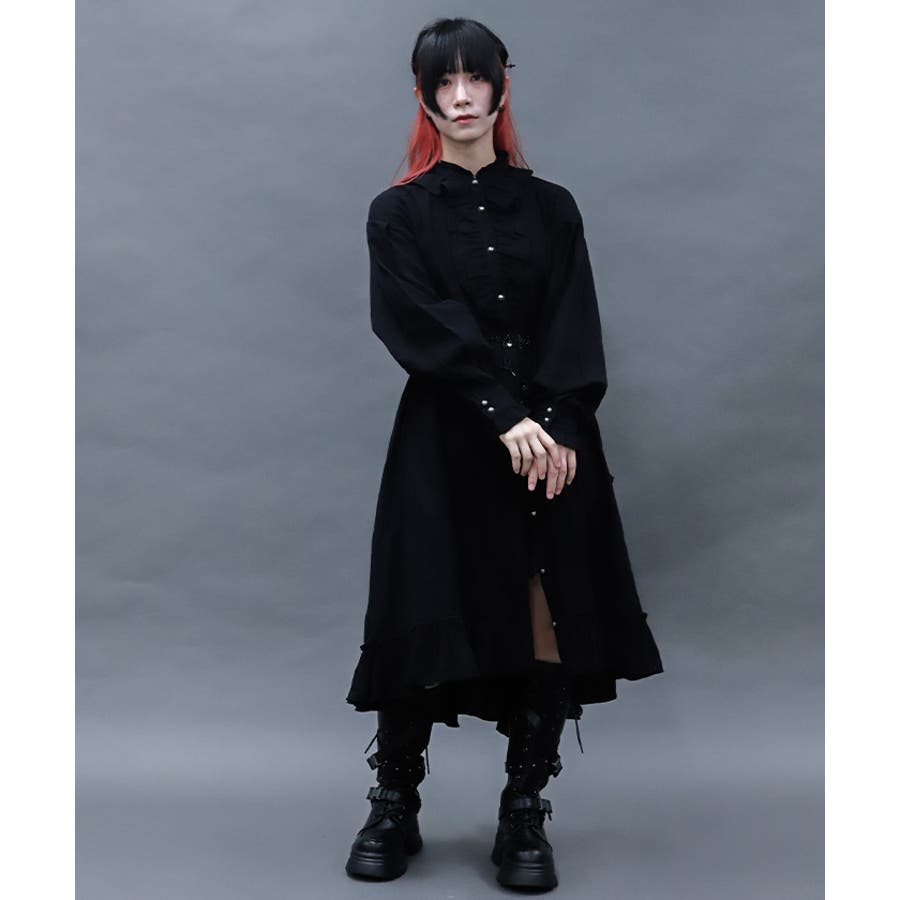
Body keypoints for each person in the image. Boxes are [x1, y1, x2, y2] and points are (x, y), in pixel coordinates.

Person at [344, 16, 664, 891]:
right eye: (442, 82)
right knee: (424, 603)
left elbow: (573, 321)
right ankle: (394, 801)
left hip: (550, 439)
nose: (460, 97)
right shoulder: (398, 212)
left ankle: (523, 809)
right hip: (446, 438)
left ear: (500, 86)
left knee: (546, 610)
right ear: (422, 97)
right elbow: (412, 323)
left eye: (474, 78)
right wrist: (501, 412)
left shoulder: (553, 207)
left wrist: (554, 422)